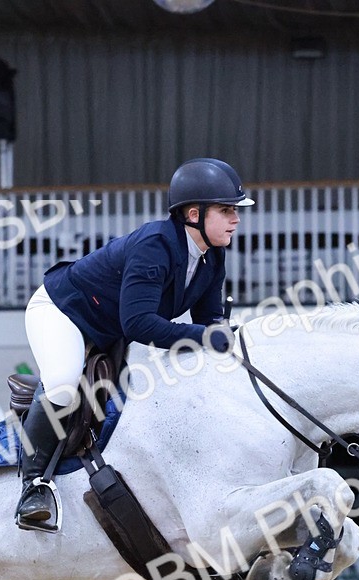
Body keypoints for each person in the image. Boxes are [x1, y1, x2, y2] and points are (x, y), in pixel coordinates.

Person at [16, 157, 254, 528]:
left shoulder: (213, 257)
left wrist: (229, 339)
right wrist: (208, 337)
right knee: (63, 383)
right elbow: (139, 323)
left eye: (235, 211)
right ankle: (33, 487)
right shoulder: (154, 245)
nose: (236, 219)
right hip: (63, 311)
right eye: (227, 210)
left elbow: (208, 322)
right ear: (194, 214)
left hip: (111, 328)